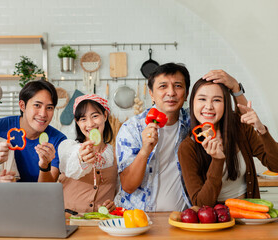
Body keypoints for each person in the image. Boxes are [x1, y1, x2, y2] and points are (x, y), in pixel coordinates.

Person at [114, 63, 248, 212]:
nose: (171, 92)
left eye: (178, 86)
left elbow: (243, 123)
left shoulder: (194, 121)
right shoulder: (132, 129)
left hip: (184, 218)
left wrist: (236, 88)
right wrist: (145, 150)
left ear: (186, 94)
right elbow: (128, 186)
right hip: (139, 217)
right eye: (163, 86)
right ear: (151, 94)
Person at [178, 79, 278, 207]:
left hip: (249, 214)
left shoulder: (240, 127)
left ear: (226, 104)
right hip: (217, 220)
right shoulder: (187, 147)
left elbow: (275, 165)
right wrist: (217, 161)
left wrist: (262, 130)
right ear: (192, 103)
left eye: (217, 100)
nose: (208, 106)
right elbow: (202, 203)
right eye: (202, 99)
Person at [58, 94, 117, 213]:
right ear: (77, 122)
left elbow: (119, 189)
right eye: (83, 119)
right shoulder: (69, 148)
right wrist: (82, 159)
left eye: (95, 116)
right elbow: (70, 168)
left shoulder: (115, 153)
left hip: (101, 223)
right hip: (68, 220)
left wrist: (114, 203)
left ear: (105, 116)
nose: (90, 124)